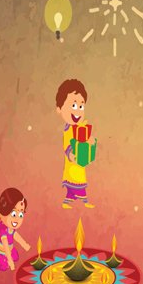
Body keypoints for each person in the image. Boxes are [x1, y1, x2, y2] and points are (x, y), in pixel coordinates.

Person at [55, 78, 97, 209]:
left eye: (81, 106)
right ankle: (68, 201)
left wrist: (90, 142)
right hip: (72, 164)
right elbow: (67, 145)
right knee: (72, 187)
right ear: (59, 109)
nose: (77, 110)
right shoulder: (68, 130)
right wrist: (70, 155)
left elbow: (85, 140)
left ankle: (83, 201)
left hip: (80, 164)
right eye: (73, 105)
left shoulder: (81, 127)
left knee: (81, 184)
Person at [0, 187, 31, 270]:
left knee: (16, 257)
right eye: (14, 214)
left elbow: (15, 235)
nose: (17, 219)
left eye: (21, 214)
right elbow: (6, 246)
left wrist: (24, 244)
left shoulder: (10, 227)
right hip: (0, 251)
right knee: (5, 266)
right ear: (4, 212)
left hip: (9, 249)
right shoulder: (2, 229)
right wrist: (10, 261)